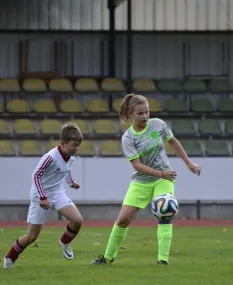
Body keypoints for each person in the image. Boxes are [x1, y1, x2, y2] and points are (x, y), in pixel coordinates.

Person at [90, 93, 201, 266]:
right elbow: (137, 166)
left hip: (164, 179)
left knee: (165, 214)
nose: (145, 116)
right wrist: (161, 174)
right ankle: (107, 258)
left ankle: (162, 260)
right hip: (142, 180)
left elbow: (173, 142)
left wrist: (189, 163)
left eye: (147, 112)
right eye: (140, 113)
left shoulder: (158, 125)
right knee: (123, 220)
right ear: (130, 115)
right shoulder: (128, 138)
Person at [3, 122, 84, 269]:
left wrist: (72, 183)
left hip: (57, 193)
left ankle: (65, 241)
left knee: (77, 220)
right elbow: (36, 176)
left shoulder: (70, 156)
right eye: (74, 145)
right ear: (63, 143)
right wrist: (42, 197)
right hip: (40, 196)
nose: (76, 148)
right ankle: (9, 258)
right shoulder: (51, 157)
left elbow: (66, 170)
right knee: (31, 237)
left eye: (78, 145)